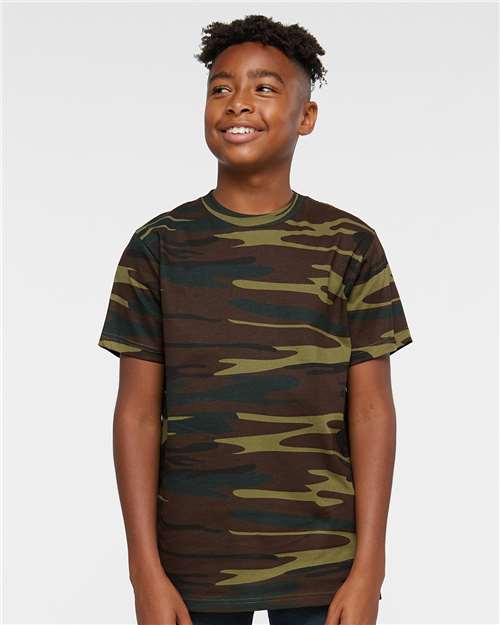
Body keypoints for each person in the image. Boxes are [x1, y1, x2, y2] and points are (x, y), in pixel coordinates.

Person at [97, 14, 413, 625]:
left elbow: (373, 409)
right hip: (191, 566)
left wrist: (370, 567)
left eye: (264, 87)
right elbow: (135, 413)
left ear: (306, 116)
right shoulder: (158, 247)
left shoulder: (350, 244)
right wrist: (144, 572)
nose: (238, 102)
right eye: (221, 87)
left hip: (324, 562)